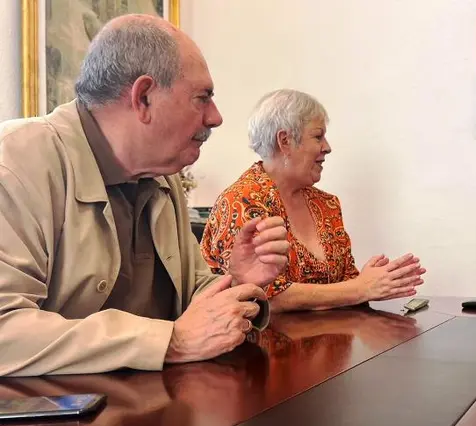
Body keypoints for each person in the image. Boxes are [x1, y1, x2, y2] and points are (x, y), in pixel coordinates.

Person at [0, 15, 290, 377]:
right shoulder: (16, 162)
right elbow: (5, 329)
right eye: (202, 98)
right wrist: (169, 341)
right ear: (143, 97)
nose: (215, 118)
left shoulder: (160, 177)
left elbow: (192, 304)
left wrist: (239, 283)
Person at [201, 89, 425, 312]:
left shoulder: (326, 204)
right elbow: (263, 295)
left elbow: (348, 283)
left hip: (335, 342)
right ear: (285, 141)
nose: (327, 147)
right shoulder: (240, 203)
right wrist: (360, 289)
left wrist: (374, 281)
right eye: (318, 136)